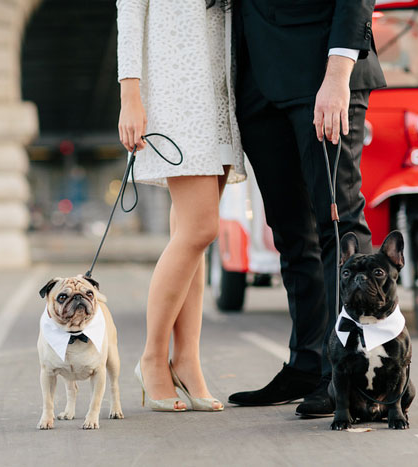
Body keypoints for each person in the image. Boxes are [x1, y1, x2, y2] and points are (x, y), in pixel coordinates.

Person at [227, 0, 386, 417]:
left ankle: (354, 374)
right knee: (291, 234)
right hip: (258, 85)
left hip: (323, 75)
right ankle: (307, 365)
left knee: (340, 226)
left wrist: (337, 76)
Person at [116, 0, 246, 412]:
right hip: (177, 90)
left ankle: (186, 359)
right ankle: (153, 357)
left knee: (191, 233)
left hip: (221, 88)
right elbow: (130, 10)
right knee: (200, 228)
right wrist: (130, 95)